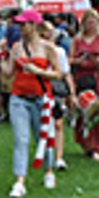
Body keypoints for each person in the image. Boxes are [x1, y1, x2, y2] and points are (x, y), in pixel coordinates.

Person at [0, 9, 62, 198]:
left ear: (33, 25)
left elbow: (58, 73)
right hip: (19, 98)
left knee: (43, 138)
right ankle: (20, 182)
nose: (20, 28)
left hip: (42, 98)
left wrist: (38, 70)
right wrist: (1, 57)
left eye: (23, 24)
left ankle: (48, 171)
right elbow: (9, 73)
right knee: (21, 139)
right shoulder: (17, 47)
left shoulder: (48, 48)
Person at [69, 9, 99, 161]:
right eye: (88, 22)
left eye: (94, 22)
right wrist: (78, 61)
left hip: (98, 78)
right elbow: (69, 60)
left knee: (98, 112)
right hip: (82, 78)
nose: (91, 25)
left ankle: (97, 147)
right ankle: (86, 144)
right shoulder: (77, 40)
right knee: (83, 112)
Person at [41, 21, 74, 171]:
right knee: (44, 124)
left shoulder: (59, 51)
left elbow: (66, 73)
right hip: (40, 88)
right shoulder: (37, 50)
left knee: (58, 123)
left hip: (55, 89)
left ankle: (59, 157)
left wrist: (72, 92)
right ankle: (46, 153)